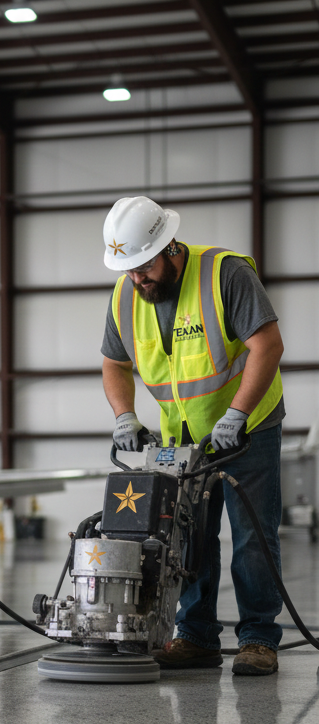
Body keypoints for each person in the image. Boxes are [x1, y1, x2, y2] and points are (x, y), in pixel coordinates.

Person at [100, 196, 286, 675]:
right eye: (129, 269)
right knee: (187, 537)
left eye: (145, 267)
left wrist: (238, 414)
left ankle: (258, 638)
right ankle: (196, 635)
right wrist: (124, 415)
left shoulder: (225, 274)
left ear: (170, 247)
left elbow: (267, 345)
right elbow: (114, 364)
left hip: (248, 428)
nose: (138, 278)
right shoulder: (126, 294)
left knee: (253, 536)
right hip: (180, 440)